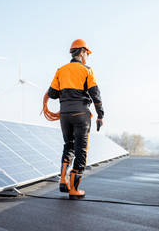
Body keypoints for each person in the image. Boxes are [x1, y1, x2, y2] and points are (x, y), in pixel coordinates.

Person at [47, 39, 104, 199]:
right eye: (87, 53)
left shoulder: (61, 70)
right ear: (82, 52)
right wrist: (100, 115)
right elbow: (95, 95)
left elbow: (52, 94)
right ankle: (74, 190)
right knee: (81, 151)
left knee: (68, 146)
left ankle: (63, 180)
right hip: (81, 115)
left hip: (64, 115)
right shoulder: (87, 70)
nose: (87, 56)